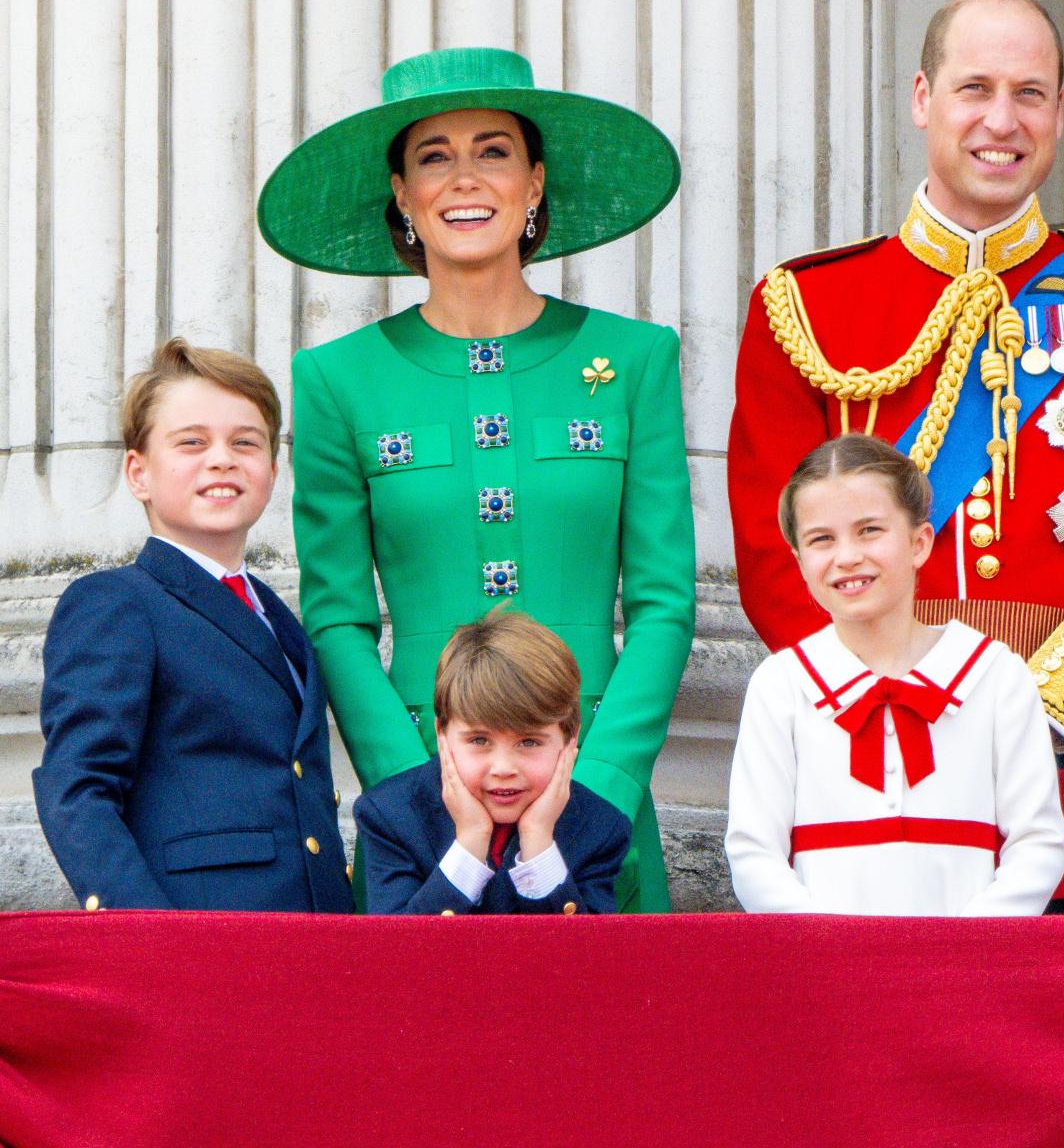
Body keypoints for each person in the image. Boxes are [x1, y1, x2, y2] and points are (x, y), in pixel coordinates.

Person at [727, 0, 1064, 911]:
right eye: (974, 88)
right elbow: (770, 544)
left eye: (1031, 93)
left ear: (1061, 111)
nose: (1003, 120)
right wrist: (876, 693)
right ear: (922, 99)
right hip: (863, 762)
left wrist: (1043, 705)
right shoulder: (805, 307)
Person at [257, 47, 695, 912]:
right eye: (434, 156)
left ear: (535, 182)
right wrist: (417, 791)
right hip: (423, 798)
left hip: (591, 772)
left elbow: (664, 601)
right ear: (402, 192)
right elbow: (338, 616)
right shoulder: (336, 378)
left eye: (493, 150)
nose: (466, 178)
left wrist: (600, 779)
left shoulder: (637, 359)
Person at [34, 340, 353, 913]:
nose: (222, 458)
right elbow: (78, 788)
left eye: (245, 442)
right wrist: (151, 936)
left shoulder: (277, 618)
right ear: (139, 472)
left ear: (273, 471)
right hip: (198, 932)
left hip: (309, 934)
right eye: (192, 443)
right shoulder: (116, 602)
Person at [725, 435, 1064, 915]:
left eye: (869, 530)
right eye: (822, 539)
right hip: (828, 972)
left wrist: (967, 950)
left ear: (919, 543)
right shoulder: (781, 686)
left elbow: (1038, 842)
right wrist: (832, 950)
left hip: (970, 971)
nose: (847, 556)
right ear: (800, 562)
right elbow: (752, 852)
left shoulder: (996, 676)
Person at [355, 610, 630, 915]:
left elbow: (587, 958)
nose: (503, 768)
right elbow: (396, 955)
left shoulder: (600, 827)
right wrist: (470, 843)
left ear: (569, 739)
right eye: (479, 741)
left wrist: (538, 841)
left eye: (529, 742)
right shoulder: (390, 815)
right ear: (442, 734)